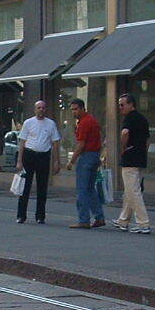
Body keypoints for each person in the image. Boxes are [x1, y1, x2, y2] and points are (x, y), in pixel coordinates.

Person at [13, 100, 61, 224]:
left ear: (46, 110)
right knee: (25, 186)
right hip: (29, 155)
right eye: (39, 108)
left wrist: (56, 161)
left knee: (42, 186)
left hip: (43, 156)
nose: (41, 110)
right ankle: (21, 215)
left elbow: (55, 142)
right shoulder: (28, 123)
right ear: (35, 109)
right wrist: (19, 161)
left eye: (43, 108)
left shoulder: (51, 124)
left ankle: (40, 216)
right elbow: (22, 142)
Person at [113, 93, 150, 234]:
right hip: (140, 157)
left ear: (131, 104)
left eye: (122, 104)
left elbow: (124, 133)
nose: (120, 107)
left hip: (130, 158)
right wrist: (143, 152)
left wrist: (124, 147)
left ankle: (143, 223)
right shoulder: (142, 119)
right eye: (119, 105)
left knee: (133, 191)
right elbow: (147, 140)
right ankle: (123, 220)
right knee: (131, 190)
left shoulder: (129, 118)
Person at [67, 98, 105, 229]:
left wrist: (72, 161)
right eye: (72, 109)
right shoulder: (92, 120)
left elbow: (81, 144)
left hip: (87, 156)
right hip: (94, 155)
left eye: (76, 109)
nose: (74, 112)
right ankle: (99, 217)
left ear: (83, 108)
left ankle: (84, 219)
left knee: (82, 189)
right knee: (90, 188)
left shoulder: (84, 122)